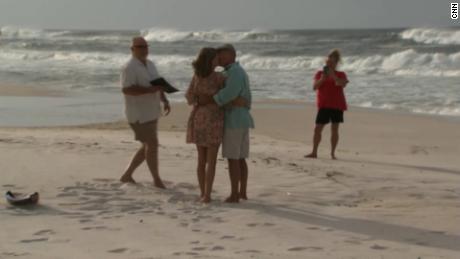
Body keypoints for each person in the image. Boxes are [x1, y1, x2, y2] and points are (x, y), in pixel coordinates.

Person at [198, 44, 254, 203]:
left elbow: (229, 93)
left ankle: (235, 194)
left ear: (230, 54)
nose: (218, 58)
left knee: (233, 158)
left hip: (234, 120)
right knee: (240, 157)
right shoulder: (234, 71)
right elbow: (240, 96)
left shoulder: (234, 72)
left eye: (220, 55)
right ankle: (242, 191)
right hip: (240, 118)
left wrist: (209, 99)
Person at [119, 37, 171, 188]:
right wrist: (148, 90)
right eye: (140, 47)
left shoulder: (151, 64)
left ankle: (127, 175)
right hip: (138, 114)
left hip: (152, 111)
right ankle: (157, 180)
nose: (144, 49)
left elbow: (158, 84)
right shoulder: (128, 67)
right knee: (152, 145)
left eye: (145, 46)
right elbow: (126, 89)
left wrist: (164, 98)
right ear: (133, 49)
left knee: (148, 146)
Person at [305, 49, 349, 160]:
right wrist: (323, 79)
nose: (329, 64)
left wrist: (333, 76)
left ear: (336, 63)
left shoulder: (341, 74)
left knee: (335, 129)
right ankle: (314, 152)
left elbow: (342, 84)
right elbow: (314, 87)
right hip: (324, 105)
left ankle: (332, 153)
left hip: (337, 105)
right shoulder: (320, 74)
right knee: (317, 129)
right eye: (328, 62)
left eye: (332, 62)